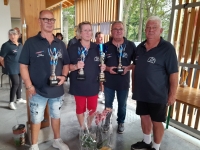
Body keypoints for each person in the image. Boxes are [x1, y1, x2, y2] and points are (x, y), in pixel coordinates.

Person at [19, 10, 70, 150]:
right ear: (39, 21)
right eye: (45, 19)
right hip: (37, 90)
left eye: (51, 20)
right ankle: (34, 145)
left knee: (56, 115)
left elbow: (66, 64)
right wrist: (29, 86)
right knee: (35, 119)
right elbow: (23, 66)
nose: (49, 22)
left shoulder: (60, 43)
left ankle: (57, 140)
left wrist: (64, 76)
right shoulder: (30, 43)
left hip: (57, 90)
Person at [131, 16, 178, 150]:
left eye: (154, 27)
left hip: (158, 93)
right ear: (145, 29)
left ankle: (155, 147)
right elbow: (135, 67)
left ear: (161, 30)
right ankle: (146, 142)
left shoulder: (167, 48)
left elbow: (174, 73)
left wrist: (172, 94)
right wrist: (134, 87)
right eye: (148, 27)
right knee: (144, 117)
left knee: (157, 121)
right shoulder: (140, 47)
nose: (151, 30)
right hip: (141, 92)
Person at [68, 21, 106, 128]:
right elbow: (66, 67)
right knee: (80, 108)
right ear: (80, 33)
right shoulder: (72, 48)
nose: (88, 33)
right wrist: (76, 66)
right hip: (78, 84)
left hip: (93, 84)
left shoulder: (98, 48)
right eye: (85, 30)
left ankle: (88, 127)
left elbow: (101, 64)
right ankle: (83, 129)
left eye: (90, 30)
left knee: (92, 108)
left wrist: (103, 67)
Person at [103, 21, 136, 134]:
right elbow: (101, 64)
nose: (118, 31)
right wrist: (108, 69)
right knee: (108, 104)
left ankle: (121, 122)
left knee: (122, 105)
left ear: (124, 30)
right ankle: (107, 121)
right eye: (115, 29)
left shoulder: (131, 45)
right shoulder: (106, 46)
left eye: (120, 29)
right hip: (109, 82)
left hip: (123, 82)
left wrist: (128, 68)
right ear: (111, 32)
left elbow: (136, 63)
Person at [0, 29, 26, 110]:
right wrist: (6, 66)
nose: (12, 36)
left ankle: (19, 98)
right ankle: (11, 102)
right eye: (10, 34)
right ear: (9, 36)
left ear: (18, 35)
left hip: (19, 67)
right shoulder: (6, 45)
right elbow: (1, 58)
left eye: (14, 34)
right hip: (11, 68)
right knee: (15, 83)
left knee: (20, 83)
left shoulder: (20, 45)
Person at [95, 31, 105, 104]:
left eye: (102, 37)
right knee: (95, 80)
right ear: (96, 37)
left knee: (102, 80)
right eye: (99, 36)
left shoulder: (105, 46)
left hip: (102, 66)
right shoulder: (92, 46)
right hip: (94, 66)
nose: (100, 38)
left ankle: (102, 93)